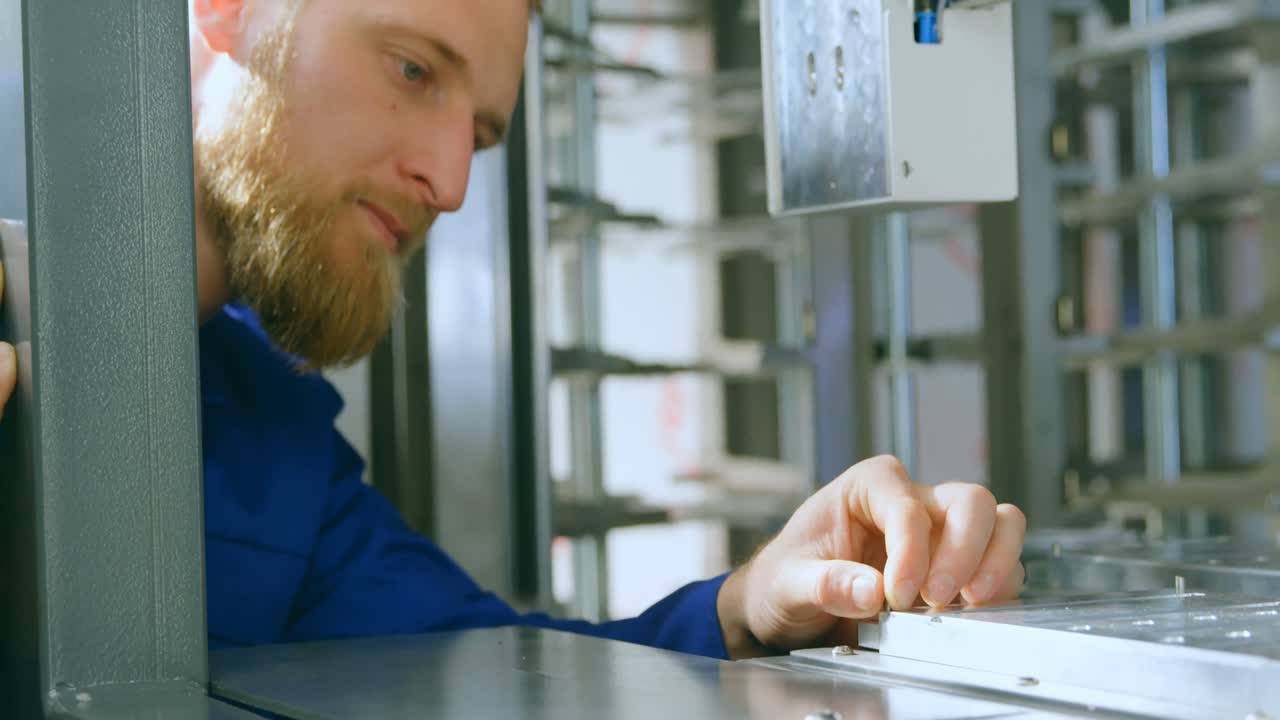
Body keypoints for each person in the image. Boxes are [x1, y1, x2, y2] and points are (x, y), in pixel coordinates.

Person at [0, 0, 1027, 661]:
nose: (447, 183)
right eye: (410, 70)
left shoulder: (277, 451)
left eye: (480, 136)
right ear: (224, 9)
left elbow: (491, 671)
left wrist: (751, 601)